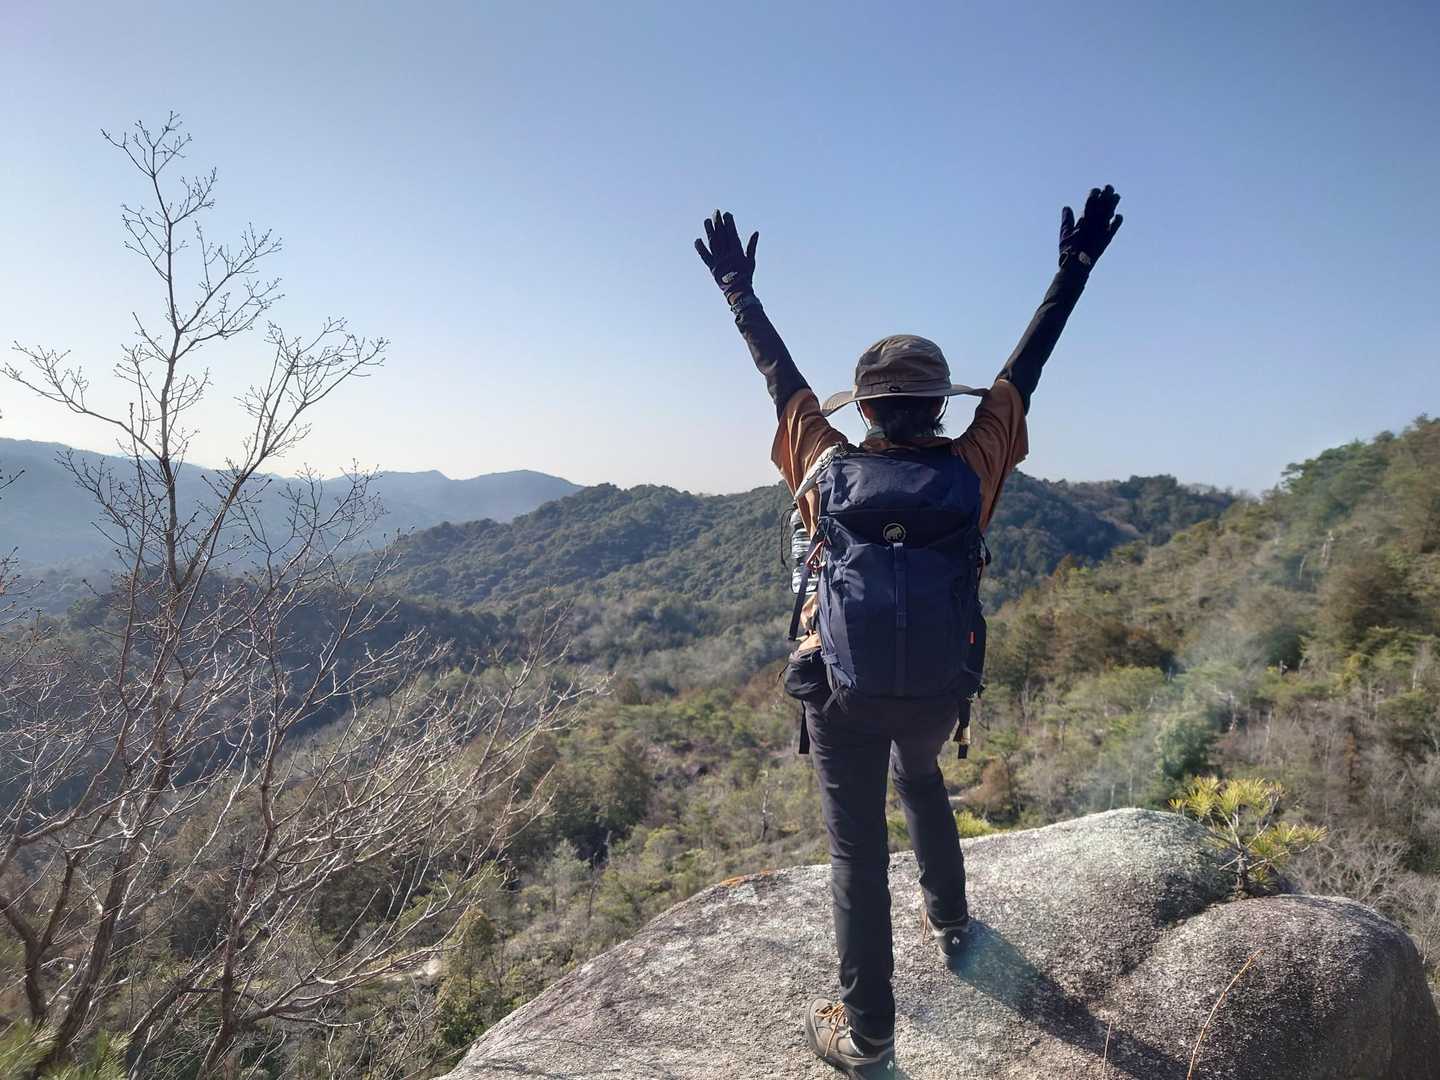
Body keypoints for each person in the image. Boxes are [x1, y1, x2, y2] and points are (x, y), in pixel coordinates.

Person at [694, 186, 1124, 1079]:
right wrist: (1073, 269)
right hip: (937, 688)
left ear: (863, 411)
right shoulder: (975, 463)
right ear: (938, 407)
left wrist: (739, 291)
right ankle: (952, 922)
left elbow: (779, 379)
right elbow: (1025, 371)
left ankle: (871, 1037)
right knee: (921, 777)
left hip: (838, 693)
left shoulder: (821, 462)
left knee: (856, 852)